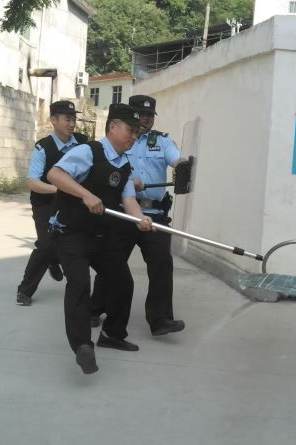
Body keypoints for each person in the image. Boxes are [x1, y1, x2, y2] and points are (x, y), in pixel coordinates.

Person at [47, 103, 153, 374]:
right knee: (80, 284)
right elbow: (54, 174)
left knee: (122, 282)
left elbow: (129, 199)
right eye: (130, 130)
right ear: (113, 126)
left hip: (100, 234)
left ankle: (112, 334)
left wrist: (140, 218)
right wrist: (85, 194)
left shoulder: (125, 164)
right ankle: (83, 346)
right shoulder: (88, 152)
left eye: (137, 132)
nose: (133, 136)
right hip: (70, 232)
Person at [90, 95, 187, 337]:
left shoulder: (162, 140)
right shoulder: (119, 142)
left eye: (149, 115)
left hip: (155, 214)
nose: (145, 118)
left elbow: (177, 159)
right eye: (140, 114)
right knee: (111, 263)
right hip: (123, 214)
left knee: (161, 263)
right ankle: (95, 308)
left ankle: (160, 319)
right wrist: (127, 180)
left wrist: (182, 167)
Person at [16, 100, 88, 306]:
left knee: (75, 243)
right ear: (53, 120)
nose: (72, 124)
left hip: (74, 202)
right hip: (46, 202)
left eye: (74, 119)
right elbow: (32, 182)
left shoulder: (83, 143)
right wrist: (60, 189)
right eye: (67, 119)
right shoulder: (43, 147)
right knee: (47, 245)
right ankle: (25, 291)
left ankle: (55, 261)